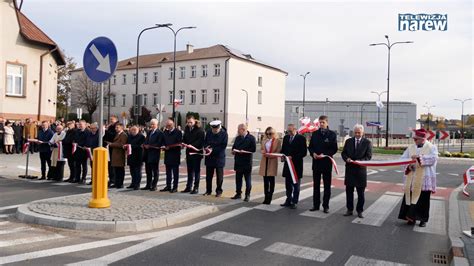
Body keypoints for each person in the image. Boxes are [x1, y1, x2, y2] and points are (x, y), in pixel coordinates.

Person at [398, 128, 438, 227]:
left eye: (416, 139)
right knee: (410, 197)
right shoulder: (411, 147)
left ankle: (423, 219)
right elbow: (403, 158)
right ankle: (411, 218)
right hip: (412, 178)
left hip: (424, 178)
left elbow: (433, 159)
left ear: (423, 139)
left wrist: (419, 158)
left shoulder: (431, 147)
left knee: (423, 200)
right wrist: (409, 165)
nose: (414, 141)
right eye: (414, 139)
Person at [308, 115, 338, 213]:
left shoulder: (332, 134)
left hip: (326, 163)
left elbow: (334, 149)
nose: (321, 124)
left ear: (327, 123)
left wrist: (325, 155)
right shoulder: (315, 134)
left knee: (327, 186)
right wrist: (313, 153)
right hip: (316, 163)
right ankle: (316, 205)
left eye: (323, 122)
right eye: (320, 122)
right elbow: (310, 147)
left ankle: (326, 206)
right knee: (316, 186)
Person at [341, 124, 372, 218]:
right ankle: (349, 210)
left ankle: (359, 211)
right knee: (349, 192)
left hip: (360, 171)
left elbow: (368, 156)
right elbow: (343, 153)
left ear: (362, 133)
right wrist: (347, 159)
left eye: (359, 132)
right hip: (350, 170)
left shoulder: (367, 142)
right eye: (356, 132)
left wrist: (359, 162)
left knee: (360, 193)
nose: (357, 134)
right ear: (353, 132)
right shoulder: (348, 141)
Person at [280, 124, 307, 209]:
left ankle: (294, 201)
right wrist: (282, 156)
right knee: (288, 184)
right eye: (288, 131)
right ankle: (288, 199)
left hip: (296, 165)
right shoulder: (286, 138)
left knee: (296, 184)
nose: (289, 133)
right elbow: (283, 149)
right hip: (287, 164)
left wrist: (293, 157)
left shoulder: (301, 138)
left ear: (295, 130)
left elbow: (304, 152)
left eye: (291, 131)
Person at [231, 123, 256, 202]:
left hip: (246, 162)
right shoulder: (238, 138)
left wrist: (244, 151)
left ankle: (247, 195)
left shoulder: (251, 138)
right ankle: (238, 193)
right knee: (238, 179)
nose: (238, 131)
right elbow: (234, 147)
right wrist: (233, 151)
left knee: (247, 179)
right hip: (238, 161)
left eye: (239, 130)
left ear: (243, 129)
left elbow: (253, 149)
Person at [203, 120, 228, 197]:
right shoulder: (209, 133)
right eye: (213, 129)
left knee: (219, 177)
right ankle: (208, 190)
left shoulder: (224, 134)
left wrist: (212, 149)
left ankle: (219, 191)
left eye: (216, 128)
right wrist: (206, 147)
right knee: (208, 176)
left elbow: (223, 146)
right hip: (209, 158)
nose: (215, 130)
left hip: (219, 158)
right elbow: (205, 142)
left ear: (219, 127)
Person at [182, 115, 205, 194]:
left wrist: (192, 145)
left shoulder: (199, 130)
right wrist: (183, 143)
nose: (189, 124)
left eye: (191, 122)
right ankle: (188, 186)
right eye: (188, 122)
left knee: (196, 171)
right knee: (189, 170)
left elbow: (200, 141)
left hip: (196, 153)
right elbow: (184, 138)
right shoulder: (187, 129)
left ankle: (196, 187)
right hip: (189, 152)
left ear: (194, 121)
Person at [259, 127, 282, 204]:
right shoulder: (264, 140)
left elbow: (278, 151)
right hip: (265, 160)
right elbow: (261, 149)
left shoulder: (277, 141)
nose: (269, 135)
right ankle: (266, 197)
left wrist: (271, 155)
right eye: (267, 133)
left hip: (272, 160)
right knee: (265, 181)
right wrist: (264, 152)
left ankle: (270, 196)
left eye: (270, 134)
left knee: (271, 180)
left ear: (274, 133)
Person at [161, 118, 183, 193]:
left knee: (175, 172)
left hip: (175, 154)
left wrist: (169, 147)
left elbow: (179, 143)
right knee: (168, 172)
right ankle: (168, 185)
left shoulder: (178, 132)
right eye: (167, 125)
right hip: (167, 154)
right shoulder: (165, 132)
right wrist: (163, 146)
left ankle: (175, 187)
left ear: (173, 124)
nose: (168, 127)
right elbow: (163, 141)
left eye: (169, 125)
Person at [142, 119, 164, 191]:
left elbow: (159, 143)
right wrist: (145, 144)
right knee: (148, 170)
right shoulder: (149, 132)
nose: (151, 125)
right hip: (147, 153)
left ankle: (154, 185)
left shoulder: (160, 133)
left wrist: (150, 146)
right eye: (151, 124)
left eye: (153, 124)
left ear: (157, 125)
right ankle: (148, 184)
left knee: (155, 171)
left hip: (154, 153)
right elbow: (146, 140)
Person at [107, 123, 128, 189]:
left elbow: (122, 144)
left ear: (121, 128)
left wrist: (112, 144)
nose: (116, 129)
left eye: (117, 127)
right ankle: (116, 183)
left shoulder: (123, 135)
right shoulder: (117, 134)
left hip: (120, 154)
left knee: (120, 170)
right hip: (115, 154)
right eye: (116, 127)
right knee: (116, 170)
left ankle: (120, 184)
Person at [126, 125, 145, 190]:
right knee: (132, 171)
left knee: (138, 171)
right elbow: (127, 144)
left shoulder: (141, 137)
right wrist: (126, 146)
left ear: (138, 130)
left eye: (134, 130)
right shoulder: (129, 136)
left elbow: (140, 146)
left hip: (138, 156)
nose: (133, 131)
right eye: (132, 130)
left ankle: (137, 184)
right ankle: (133, 183)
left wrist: (130, 146)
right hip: (131, 156)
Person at [104, 115, 119, 187]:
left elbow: (114, 135)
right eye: (110, 119)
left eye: (112, 120)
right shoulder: (110, 127)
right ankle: (111, 179)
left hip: (113, 148)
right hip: (108, 146)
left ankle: (114, 180)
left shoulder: (116, 127)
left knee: (113, 165)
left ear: (116, 120)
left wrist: (106, 131)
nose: (110, 121)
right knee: (109, 164)